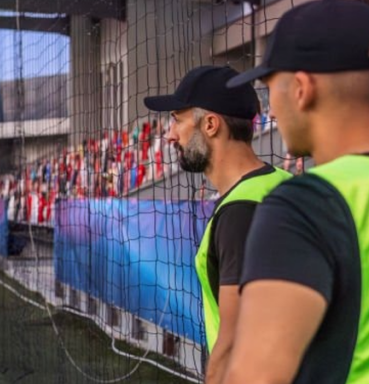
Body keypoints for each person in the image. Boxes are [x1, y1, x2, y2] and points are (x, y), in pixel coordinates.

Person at [221, 1, 369, 383]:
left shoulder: (307, 204)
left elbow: (257, 376)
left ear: (301, 90)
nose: (271, 106)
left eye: (270, 87)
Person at [144, 65, 292, 383]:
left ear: (210, 124)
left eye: (177, 121)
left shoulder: (240, 210)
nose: (170, 135)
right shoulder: (282, 183)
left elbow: (235, 342)